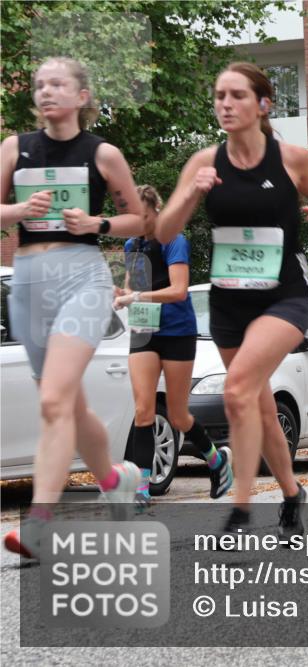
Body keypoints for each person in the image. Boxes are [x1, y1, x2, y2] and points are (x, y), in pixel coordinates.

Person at [156, 62, 308, 539]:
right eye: (219, 96)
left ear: (263, 104)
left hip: (285, 297)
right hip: (229, 301)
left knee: (235, 391)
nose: (225, 104)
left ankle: (239, 510)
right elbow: (163, 230)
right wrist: (191, 196)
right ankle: (293, 494)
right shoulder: (203, 162)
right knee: (254, 403)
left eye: (236, 95)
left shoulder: (293, 158)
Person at [0, 57, 146, 559]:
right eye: (39, 84)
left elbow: (140, 219)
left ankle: (40, 522)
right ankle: (114, 478)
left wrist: (97, 225)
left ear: (81, 96)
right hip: (30, 281)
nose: (45, 92)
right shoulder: (14, 148)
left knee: (54, 401)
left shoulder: (102, 154)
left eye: (57, 84)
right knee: (68, 404)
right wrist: (18, 212)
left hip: (82, 277)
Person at [114, 185, 232, 511]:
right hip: (144, 331)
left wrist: (135, 296)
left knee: (179, 415)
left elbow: (179, 291)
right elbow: (133, 287)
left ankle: (215, 459)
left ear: (155, 210)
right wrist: (121, 295)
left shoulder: (173, 239)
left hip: (177, 332)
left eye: (143, 214)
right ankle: (141, 489)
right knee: (143, 410)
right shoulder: (131, 244)